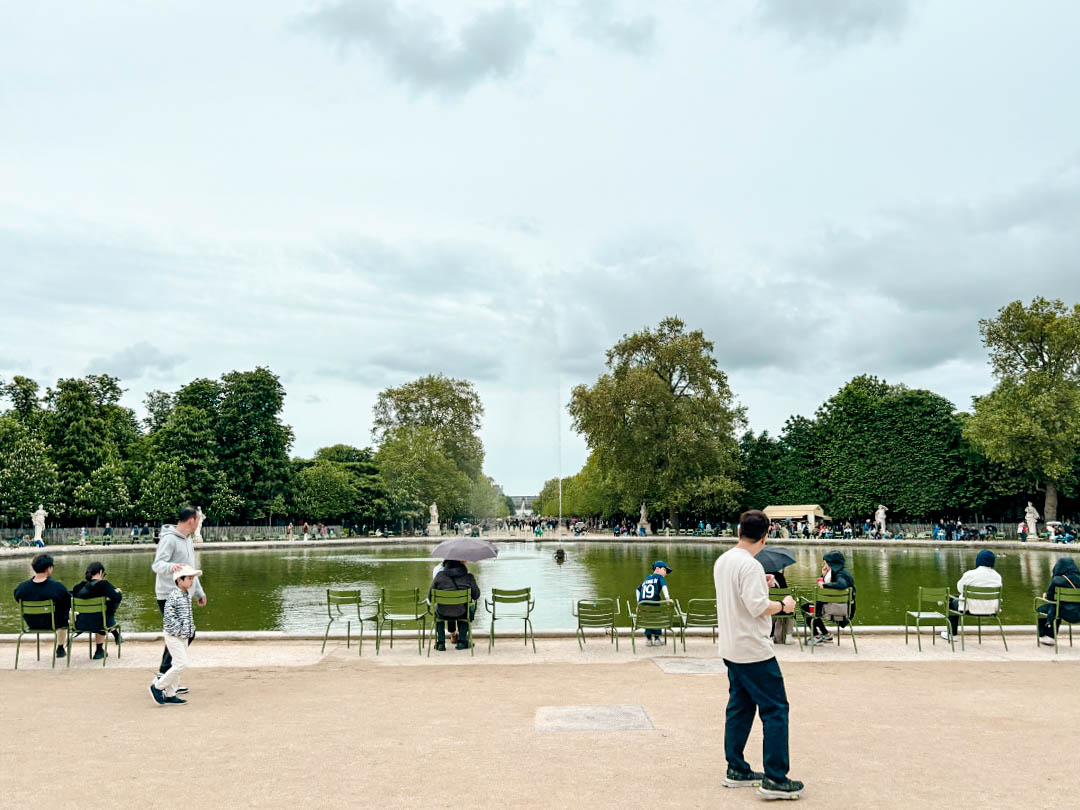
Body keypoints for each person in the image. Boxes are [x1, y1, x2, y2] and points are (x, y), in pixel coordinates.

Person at [714, 510, 801, 798]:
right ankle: (775, 778)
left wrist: (760, 583)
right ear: (766, 536)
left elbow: (739, 596)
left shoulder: (724, 560)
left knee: (740, 707)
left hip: (731, 646)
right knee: (776, 710)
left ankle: (736, 768)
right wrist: (784, 605)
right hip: (753, 649)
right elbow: (757, 608)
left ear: (739, 531)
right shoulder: (749, 566)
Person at [152, 506, 206, 682]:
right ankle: (164, 676)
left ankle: (168, 678)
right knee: (181, 635)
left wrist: (198, 592)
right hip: (168, 594)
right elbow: (157, 565)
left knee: (184, 635)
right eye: (198, 520)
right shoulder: (169, 539)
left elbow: (189, 569)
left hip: (183, 594)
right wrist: (172, 567)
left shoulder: (187, 539)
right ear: (191, 520)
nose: (199, 523)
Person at [149, 565, 201, 705]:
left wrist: (189, 631)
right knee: (181, 663)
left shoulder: (185, 596)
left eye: (192, 578)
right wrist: (182, 631)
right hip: (174, 636)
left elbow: (187, 617)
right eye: (189, 578)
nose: (191, 581)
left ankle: (171, 694)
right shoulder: (174, 597)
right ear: (179, 580)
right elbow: (169, 619)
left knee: (177, 663)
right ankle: (158, 686)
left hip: (183, 635)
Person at [13, 553, 72, 659]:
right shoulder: (57, 586)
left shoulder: (22, 587)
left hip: (32, 623)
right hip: (53, 623)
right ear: (49, 569)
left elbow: (17, 598)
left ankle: (60, 647)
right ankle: (60, 647)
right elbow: (68, 603)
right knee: (66, 617)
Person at [941, 550, 1002, 641]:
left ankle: (952, 634)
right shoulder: (997, 576)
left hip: (970, 608)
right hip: (991, 608)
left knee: (951, 601)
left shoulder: (970, 574)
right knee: (956, 597)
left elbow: (960, 589)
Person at [801, 551, 856, 643]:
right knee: (813, 607)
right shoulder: (841, 572)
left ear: (832, 563)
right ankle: (826, 634)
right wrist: (823, 575)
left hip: (837, 609)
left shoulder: (840, 574)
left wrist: (824, 585)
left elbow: (841, 584)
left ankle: (816, 635)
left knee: (806, 608)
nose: (824, 565)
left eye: (825, 562)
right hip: (843, 607)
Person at [72, 561, 123, 659]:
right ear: (100, 572)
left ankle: (101, 649)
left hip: (81, 624)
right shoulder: (104, 585)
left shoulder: (77, 587)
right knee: (105, 612)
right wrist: (118, 592)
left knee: (101, 613)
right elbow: (117, 598)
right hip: (101, 623)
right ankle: (100, 650)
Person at [429, 560, 479, 651]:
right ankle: (462, 642)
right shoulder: (468, 577)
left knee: (437, 612)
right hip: (462, 612)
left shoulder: (439, 576)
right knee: (468, 609)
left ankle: (440, 643)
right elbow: (476, 595)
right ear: (462, 565)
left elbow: (430, 597)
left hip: (443, 612)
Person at [1037, 558, 1080, 645]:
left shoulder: (1057, 580)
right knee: (1057, 607)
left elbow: (1050, 598)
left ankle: (1048, 636)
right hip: (1078, 612)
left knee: (1045, 609)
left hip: (1063, 612)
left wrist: (1045, 596)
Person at [636, 561, 674, 646]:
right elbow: (664, 587)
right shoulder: (660, 578)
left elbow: (637, 590)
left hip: (644, 606)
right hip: (655, 605)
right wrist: (667, 598)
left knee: (648, 620)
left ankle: (648, 639)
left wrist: (638, 603)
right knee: (657, 620)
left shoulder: (646, 579)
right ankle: (657, 639)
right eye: (664, 570)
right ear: (657, 569)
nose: (665, 573)